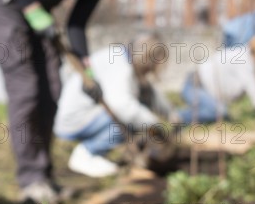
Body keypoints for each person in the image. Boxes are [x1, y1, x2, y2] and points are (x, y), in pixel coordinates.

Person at [0, 0, 145, 204]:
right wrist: (32, 10)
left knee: (53, 88)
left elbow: (77, 24)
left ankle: (43, 176)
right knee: (26, 89)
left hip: (40, 11)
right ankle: (30, 180)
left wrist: (88, 71)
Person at [54, 33, 175, 177]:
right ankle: (85, 154)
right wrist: (154, 124)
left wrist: (171, 113)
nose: (149, 71)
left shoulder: (124, 59)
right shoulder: (121, 66)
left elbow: (149, 92)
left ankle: (93, 150)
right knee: (129, 119)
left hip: (87, 115)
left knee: (135, 118)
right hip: (74, 120)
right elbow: (122, 105)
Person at [177, 33, 255, 125]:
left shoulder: (247, 57)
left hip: (202, 89)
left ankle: (182, 120)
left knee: (219, 113)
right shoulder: (244, 60)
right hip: (195, 87)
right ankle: (176, 117)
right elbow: (254, 89)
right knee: (219, 112)